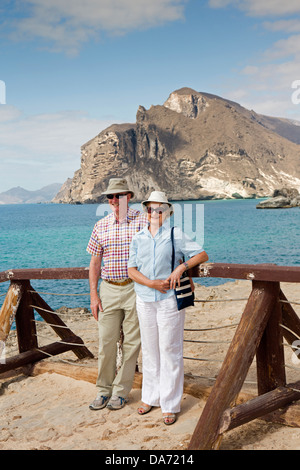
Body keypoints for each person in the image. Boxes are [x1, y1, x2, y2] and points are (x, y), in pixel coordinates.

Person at [128, 191, 209, 425]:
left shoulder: (176, 235)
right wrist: (150, 283)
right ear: (146, 211)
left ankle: (170, 404)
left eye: (161, 209)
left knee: (170, 349)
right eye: (152, 209)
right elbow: (131, 270)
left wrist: (181, 268)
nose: (156, 213)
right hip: (144, 298)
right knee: (150, 349)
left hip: (169, 300)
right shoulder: (138, 237)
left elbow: (201, 254)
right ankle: (150, 397)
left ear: (168, 212)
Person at [87, 178, 147, 411]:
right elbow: (94, 262)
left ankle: (120, 392)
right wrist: (94, 295)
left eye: (119, 196)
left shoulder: (143, 222)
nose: (113, 201)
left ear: (129, 197)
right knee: (106, 343)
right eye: (110, 197)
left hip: (135, 288)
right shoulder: (100, 226)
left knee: (132, 343)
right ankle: (103, 390)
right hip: (108, 289)